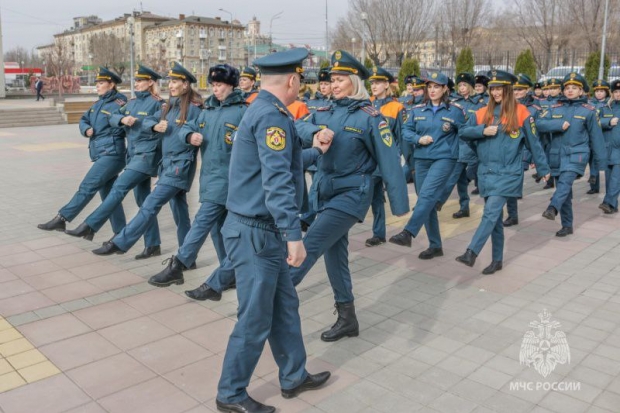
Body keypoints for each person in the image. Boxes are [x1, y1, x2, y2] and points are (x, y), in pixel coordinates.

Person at [215, 48, 331, 413]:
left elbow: (282, 163)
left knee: (284, 306)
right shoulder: (272, 117)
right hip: (257, 233)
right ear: (294, 80)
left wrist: (314, 147)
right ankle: (230, 394)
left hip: (260, 230)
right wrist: (293, 234)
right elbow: (277, 181)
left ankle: (294, 375)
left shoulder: (264, 109)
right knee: (254, 316)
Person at [292, 51, 409, 342]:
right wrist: (316, 132)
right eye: (331, 79)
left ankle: (271, 299)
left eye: (340, 79)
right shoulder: (323, 111)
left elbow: (389, 159)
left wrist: (399, 205)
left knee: (310, 245)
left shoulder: (370, 117)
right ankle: (348, 319)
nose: (333, 85)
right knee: (335, 256)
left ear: (354, 82)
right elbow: (297, 126)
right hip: (325, 192)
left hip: (352, 195)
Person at [147, 64, 245, 290]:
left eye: (220, 85)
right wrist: (190, 135)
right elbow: (185, 128)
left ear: (232, 85)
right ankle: (228, 274)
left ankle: (178, 265)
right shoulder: (207, 110)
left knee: (202, 222)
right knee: (217, 229)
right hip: (209, 180)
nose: (216, 89)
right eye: (213, 85)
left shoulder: (243, 112)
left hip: (230, 180)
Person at [92, 62, 203, 258]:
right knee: (180, 214)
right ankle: (187, 257)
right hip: (166, 165)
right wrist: (154, 126)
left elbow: (198, 131)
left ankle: (120, 242)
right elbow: (150, 119)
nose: (171, 85)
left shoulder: (194, 108)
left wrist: (190, 137)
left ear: (186, 85)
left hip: (180, 166)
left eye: (175, 81)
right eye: (169, 82)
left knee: (150, 204)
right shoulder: (170, 105)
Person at [455, 70, 550, 274]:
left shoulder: (522, 112)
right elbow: (463, 132)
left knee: (489, 214)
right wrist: (482, 131)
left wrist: (543, 169)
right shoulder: (482, 113)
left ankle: (471, 251)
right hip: (486, 173)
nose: (496, 93)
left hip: (508, 173)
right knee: (495, 219)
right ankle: (497, 260)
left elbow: (535, 144)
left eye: (500, 89)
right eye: (493, 89)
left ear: (508, 90)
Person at [64, 65, 164, 259]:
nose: (138, 84)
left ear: (151, 82)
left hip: (147, 156)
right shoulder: (133, 102)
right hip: (134, 156)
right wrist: (122, 120)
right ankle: (153, 245)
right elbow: (113, 117)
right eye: (136, 80)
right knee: (144, 202)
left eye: (141, 80)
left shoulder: (158, 103)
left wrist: (140, 123)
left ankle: (90, 225)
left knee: (118, 187)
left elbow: (155, 125)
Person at [37, 67, 127, 235]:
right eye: (97, 83)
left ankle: (62, 219)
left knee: (87, 186)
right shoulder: (98, 103)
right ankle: (120, 235)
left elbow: (124, 124)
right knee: (109, 197)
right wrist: (86, 129)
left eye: (101, 83)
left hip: (112, 154)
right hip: (101, 153)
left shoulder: (119, 104)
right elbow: (84, 119)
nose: (97, 86)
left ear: (112, 84)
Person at [388, 72, 466, 259]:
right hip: (421, 159)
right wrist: (418, 138)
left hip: (444, 159)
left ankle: (408, 232)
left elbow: (465, 132)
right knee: (427, 201)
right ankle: (435, 246)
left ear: (445, 88)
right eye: (429, 87)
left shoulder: (455, 110)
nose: (432, 90)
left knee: (428, 195)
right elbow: (406, 130)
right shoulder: (417, 109)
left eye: (436, 87)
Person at [538, 72, 607, 237]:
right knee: (565, 191)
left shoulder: (589, 111)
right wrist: (558, 124)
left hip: (577, 154)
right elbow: (539, 124)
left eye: (574, 88)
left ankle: (552, 207)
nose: (570, 91)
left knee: (565, 183)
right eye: (567, 88)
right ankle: (567, 225)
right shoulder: (553, 108)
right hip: (556, 155)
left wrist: (601, 163)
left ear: (581, 91)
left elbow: (596, 138)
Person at [365, 66, 407, 247]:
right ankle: (379, 233)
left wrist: (406, 160)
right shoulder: (366, 104)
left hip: (388, 159)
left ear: (387, 84)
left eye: (378, 82)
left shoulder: (397, 107)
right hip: (370, 159)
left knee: (394, 194)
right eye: (372, 82)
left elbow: (401, 135)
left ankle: (384, 231)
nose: (374, 86)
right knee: (373, 196)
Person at [438, 72, 486, 219]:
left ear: (471, 86)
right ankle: (464, 207)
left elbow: (481, 124)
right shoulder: (453, 101)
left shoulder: (480, 103)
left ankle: (437, 203)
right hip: (454, 143)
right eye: (460, 85)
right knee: (460, 179)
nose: (462, 87)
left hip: (468, 145)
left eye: (465, 85)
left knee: (452, 175)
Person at [503, 73, 542, 227]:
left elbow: (537, 136)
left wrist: (535, 158)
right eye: (514, 90)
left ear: (527, 90)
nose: (517, 92)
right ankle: (512, 214)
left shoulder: (534, 109)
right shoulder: (505, 106)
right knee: (509, 183)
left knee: (512, 182)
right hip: (508, 150)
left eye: (520, 89)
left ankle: (512, 215)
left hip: (525, 150)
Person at [599, 79, 620, 214]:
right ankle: (613, 205)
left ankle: (607, 201)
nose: (618, 94)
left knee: (616, 177)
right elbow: (595, 122)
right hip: (608, 148)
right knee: (609, 178)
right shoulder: (606, 107)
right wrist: (608, 121)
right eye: (616, 91)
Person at [587, 79, 611, 194]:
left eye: (602, 91)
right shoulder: (589, 103)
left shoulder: (609, 104)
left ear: (606, 92)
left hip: (603, 137)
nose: (599, 93)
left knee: (600, 160)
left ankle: (607, 186)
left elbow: (609, 120)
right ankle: (594, 186)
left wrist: (605, 122)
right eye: (597, 91)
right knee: (591, 160)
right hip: (590, 137)